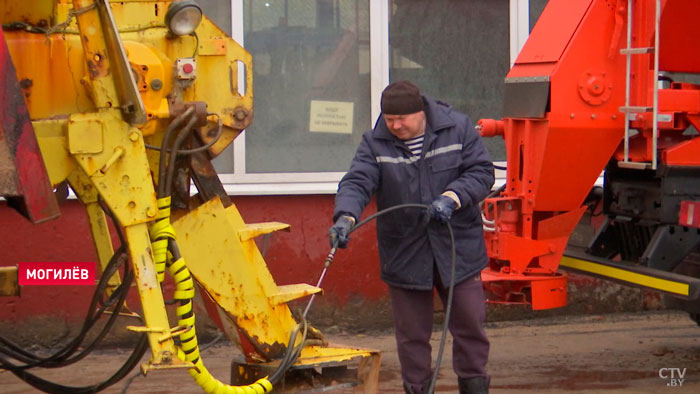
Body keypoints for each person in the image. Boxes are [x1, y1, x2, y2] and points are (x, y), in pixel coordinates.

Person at [329, 80, 494, 394]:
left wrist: (452, 197)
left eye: (402, 119)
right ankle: (418, 389)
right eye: (390, 120)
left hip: (457, 246)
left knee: (470, 326)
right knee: (411, 336)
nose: (395, 126)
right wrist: (345, 217)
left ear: (422, 113)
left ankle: (474, 388)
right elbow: (357, 182)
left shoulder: (457, 129)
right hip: (405, 250)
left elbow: (481, 172)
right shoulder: (374, 143)